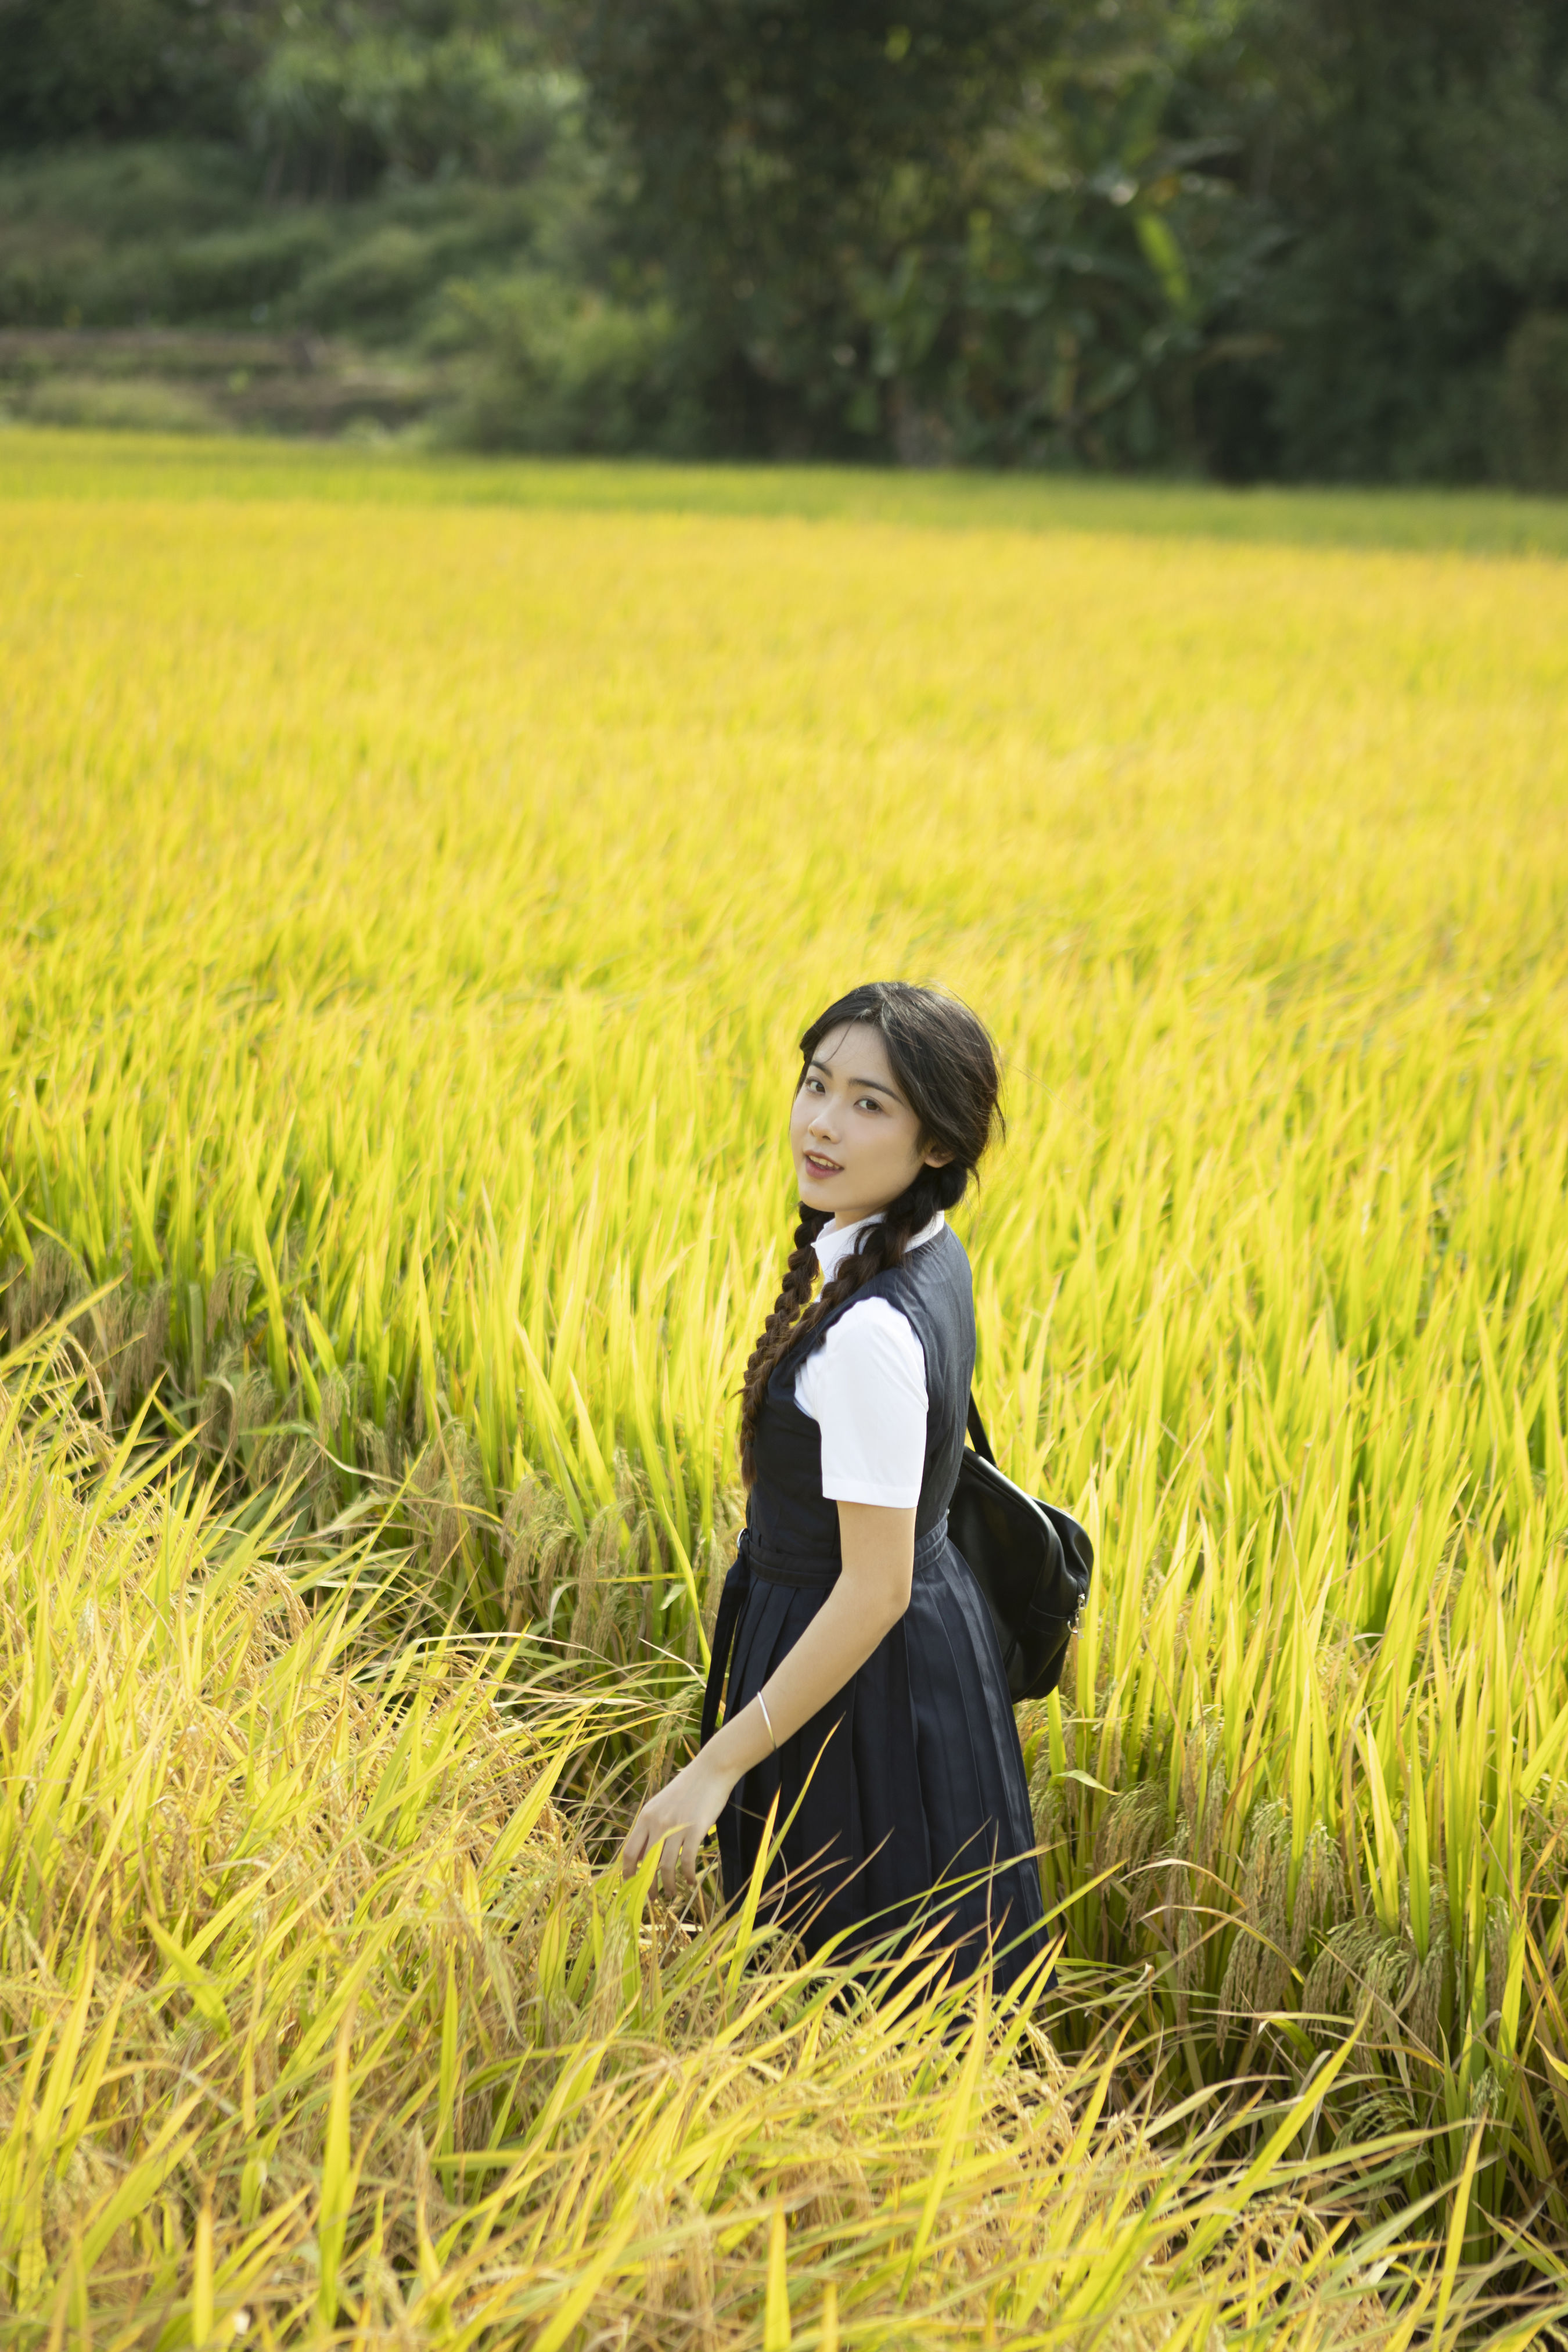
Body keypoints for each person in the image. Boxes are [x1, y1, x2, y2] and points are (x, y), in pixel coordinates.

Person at [620, 981, 1049, 1994]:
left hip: (859, 1692)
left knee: (853, 1970)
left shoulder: (867, 1334)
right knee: (926, 1962)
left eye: (869, 1104)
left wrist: (715, 1764)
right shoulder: (927, 1252)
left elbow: (873, 1586)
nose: (821, 1122)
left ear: (936, 1142)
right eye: (818, 1084)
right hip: (919, 1661)